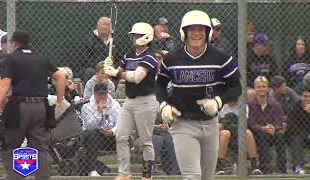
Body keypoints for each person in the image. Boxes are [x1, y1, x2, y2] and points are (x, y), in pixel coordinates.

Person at [156, 10, 242, 180]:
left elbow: (236, 87)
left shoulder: (221, 58)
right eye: (192, 30)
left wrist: (218, 101)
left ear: (207, 33)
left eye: (201, 30)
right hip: (183, 124)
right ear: (184, 33)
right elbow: (159, 84)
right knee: (192, 176)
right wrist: (164, 105)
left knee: (206, 177)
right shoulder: (172, 59)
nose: (196, 34)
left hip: (211, 124)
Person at [0, 31, 66, 180]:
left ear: (14, 43)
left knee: (10, 146)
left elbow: (5, 84)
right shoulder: (42, 58)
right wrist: (60, 99)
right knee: (40, 148)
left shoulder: (11, 59)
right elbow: (61, 76)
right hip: (41, 107)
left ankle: (16, 177)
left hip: (19, 106)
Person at [103, 22, 159, 180]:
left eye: (138, 35)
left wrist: (117, 73)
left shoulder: (150, 56)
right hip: (130, 101)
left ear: (146, 37)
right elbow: (118, 73)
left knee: (145, 141)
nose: (134, 37)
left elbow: (137, 77)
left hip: (146, 101)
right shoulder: (129, 54)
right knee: (120, 136)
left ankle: (147, 176)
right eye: (133, 35)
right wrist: (108, 67)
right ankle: (124, 173)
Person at [248, 76, 286, 174]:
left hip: (272, 132)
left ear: (268, 88)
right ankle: (265, 168)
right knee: (262, 136)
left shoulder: (275, 104)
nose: (261, 89)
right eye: (259, 86)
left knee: (280, 137)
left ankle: (282, 169)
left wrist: (274, 127)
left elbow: (279, 122)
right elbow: (251, 123)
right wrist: (262, 128)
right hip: (256, 134)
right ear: (255, 88)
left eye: (264, 86)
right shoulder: (250, 104)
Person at [80, 83, 121, 176]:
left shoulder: (114, 104)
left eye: (104, 94)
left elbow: (121, 122)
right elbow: (89, 127)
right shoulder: (87, 106)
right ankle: (93, 170)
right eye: (100, 94)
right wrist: (98, 112)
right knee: (91, 133)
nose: (102, 97)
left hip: (111, 136)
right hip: (95, 137)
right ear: (94, 94)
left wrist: (113, 131)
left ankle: (124, 169)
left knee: (123, 132)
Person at [215, 100, 262, 175]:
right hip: (225, 132)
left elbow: (244, 123)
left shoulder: (243, 106)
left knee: (248, 132)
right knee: (225, 133)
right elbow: (217, 125)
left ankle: (254, 166)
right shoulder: (220, 106)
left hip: (238, 132)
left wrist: (227, 123)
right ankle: (219, 167)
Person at [287, 73, 310, 175]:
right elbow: (292, 125)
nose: (306, 99)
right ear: (301, 96)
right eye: (304, 96)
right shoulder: (295, 106)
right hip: (300, 134)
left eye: (309, 97)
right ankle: (298, 166)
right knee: (296, 138)